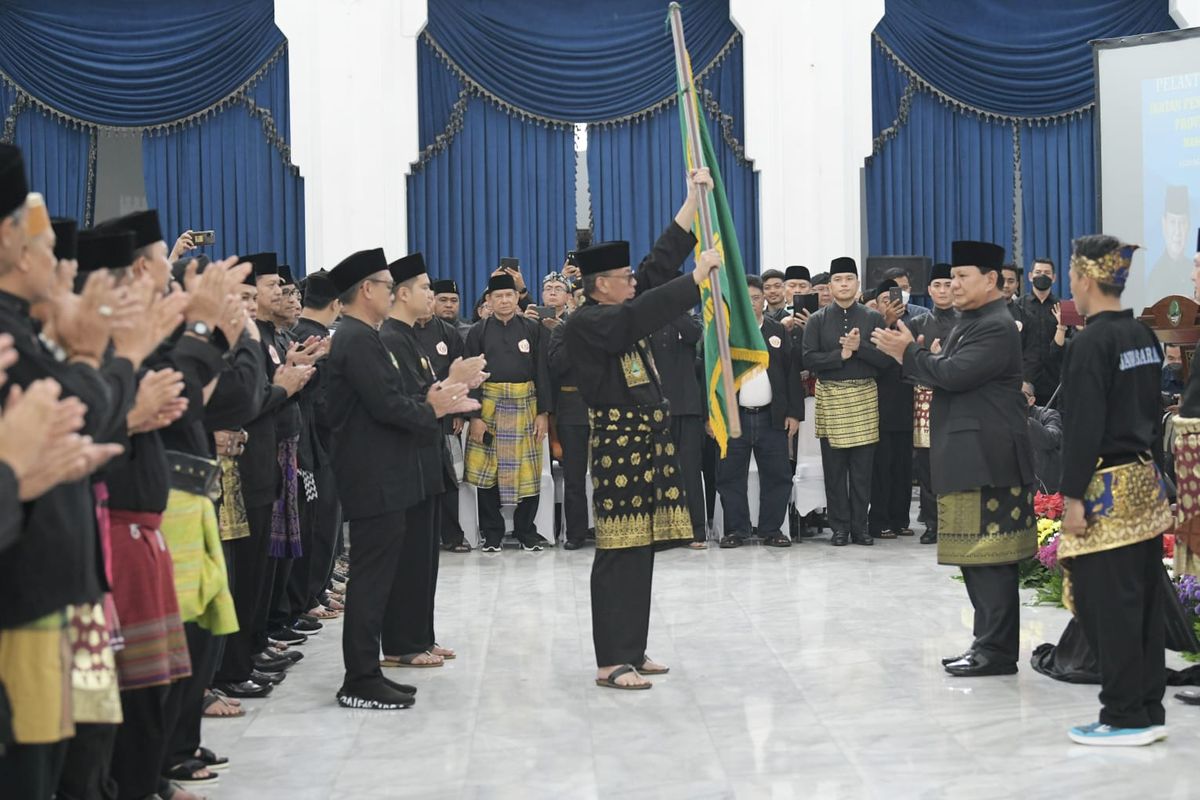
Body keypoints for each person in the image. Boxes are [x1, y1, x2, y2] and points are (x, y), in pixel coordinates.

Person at [0, 149, 131, 796]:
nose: (61, 264)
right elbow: (81, 417)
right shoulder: (8, 339)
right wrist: (101, 354)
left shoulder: (18, 332)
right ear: (12, 244)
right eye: (50, 245)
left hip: (51, 588)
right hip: (23, 599)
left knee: (69, 754)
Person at [872, 240, 1037, 678]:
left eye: (964, 277)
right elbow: (947, 369)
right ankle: (987, 644)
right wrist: (921, 355)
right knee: (975, 556)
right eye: (953, 277)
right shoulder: (974, 320)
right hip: (971, 453)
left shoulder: (997, 326)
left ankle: (997, 652)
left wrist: (908, 352)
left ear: (992, 280)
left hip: (988, 455)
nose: (955, 285)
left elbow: (954, 374)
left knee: (990, 559)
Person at [563, 238, 720, 690]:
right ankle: (610, 660)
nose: (634, 282)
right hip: (618, 445)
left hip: (646, 440)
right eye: (626, 278)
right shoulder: (589, 322)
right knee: (618, 550)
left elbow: (655, 272)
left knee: (640, 549)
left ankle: (631, 649)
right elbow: (638, 314)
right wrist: (695, 278)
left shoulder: (618, 308)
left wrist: (691, 206)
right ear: (601, 286)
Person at [323, 247, 476, 709]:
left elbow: (393, 397)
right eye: (388, 286)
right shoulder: (357, 338)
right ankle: (360, 679)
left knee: (378, 576)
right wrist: (436, 405)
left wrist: (434, 400)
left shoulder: (362, 335)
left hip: (384, 472)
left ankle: (368, 672)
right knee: (370, 581)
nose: (393, 293)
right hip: (374, 475)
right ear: (366, 290)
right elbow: (386, 404)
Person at [1057, 235, 1172, 746]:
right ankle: (1146, 706)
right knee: (1142, 599)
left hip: (1104, 488)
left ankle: (1124, 715)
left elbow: (1083, 425)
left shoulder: (1090, 343)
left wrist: (1073, 496)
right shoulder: (1144, 336)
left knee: (1107, 605)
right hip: (1144, 482)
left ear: (1084, 279)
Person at [380, 252, 482, 669]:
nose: (431, 294)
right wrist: (451, 386)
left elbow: (428, 392)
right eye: (424, 288)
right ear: (402, 294)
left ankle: (421, 636)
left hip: (426, 459)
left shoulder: (410, 339)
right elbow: (402, 402)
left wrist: (457, 384)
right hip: (404, 463)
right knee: (408, 561)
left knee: (425, 558)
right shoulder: (389, 338)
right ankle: (401, 644)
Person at [802, 257, 892, 547]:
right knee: (835, 469)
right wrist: (838, 357)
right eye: (838, 280)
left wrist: (859, 348)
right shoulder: (817, 320)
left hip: (864, 395)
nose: (843, 285)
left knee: (863, 470)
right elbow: (807, 359)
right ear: (829, 286)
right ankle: (839, 528)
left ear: (857, 284)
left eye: (849, 279)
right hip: (831, 396)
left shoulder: (873, 318)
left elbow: (885, 361)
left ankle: (860, 527)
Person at [463, 271, 552, 552]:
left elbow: (543, 372)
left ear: (517, 298)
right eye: (498, 296)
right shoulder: (477, 332)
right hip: (489, 404)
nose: (504, 300)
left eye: (509, 295)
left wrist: (543, 413)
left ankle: (527, 531)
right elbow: (471, 375)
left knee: (529, 470)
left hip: (526, 403)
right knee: (487, 471)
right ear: (488, 300)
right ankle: (492, 533)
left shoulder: (533, 329)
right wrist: (475, 417)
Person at [717, 275, 802, 548]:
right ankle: (736, 530)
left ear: (764, 299)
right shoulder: (726, 333)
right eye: (745, 298)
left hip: (771, 417)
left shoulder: (777, 332)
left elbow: (791, 375)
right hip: (734, 418)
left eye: (756, 297)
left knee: (778, 475)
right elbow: (713, 378)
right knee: (730, 476)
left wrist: (793, 414)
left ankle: (771, 529)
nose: (751, 303)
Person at [412, 277, 471, 554]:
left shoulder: (448, 333)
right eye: (433, 299)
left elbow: (458, 374)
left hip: (446, 417)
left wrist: (458, 412)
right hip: (414, 414)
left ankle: (452, 535)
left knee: (448, 477)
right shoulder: (402, 333)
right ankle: (423, 535)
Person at [907, 263, 958, 544]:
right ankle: (932, 523)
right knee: (927, 467)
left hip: (957, 401)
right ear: (928, 290)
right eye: (937, 285)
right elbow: (907, 367)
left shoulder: (967, 322)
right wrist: (928, 357)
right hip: (924, 401)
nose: (942, 290)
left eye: (947, 285)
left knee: (956, 464)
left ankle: (956, 523)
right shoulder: (917, 324)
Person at [868, 278, 917, 539]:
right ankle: (879, 520)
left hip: (906, 404)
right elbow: (873, 361)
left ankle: (901, 519)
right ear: (876, 305)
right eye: (886, 301)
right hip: (878, 407)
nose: (891, 306)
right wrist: (885, 323)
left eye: (895, 300)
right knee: (881, 468)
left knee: (903, 468)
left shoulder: (909, 328)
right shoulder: (871, 327)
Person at [548, 311, 592, 550]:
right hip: (572, 410)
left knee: (609, 476)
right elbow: (556, 366)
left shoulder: (609, 327)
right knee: (574, 478)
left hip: (606, 408)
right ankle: (576, 533)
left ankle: (610, 528)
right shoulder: (561, 331)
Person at [1019, 257, 1065, 405]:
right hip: (1025, 381)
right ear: (1030, 276)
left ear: (1054, 277)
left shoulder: (1064, 307)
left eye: (1047, 273)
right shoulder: (1018, 306)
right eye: (1038, 272)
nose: (1042, 276)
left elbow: (1071, 342)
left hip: (1055, 381)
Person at [1145, 185, 1192, 303]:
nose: (1177, 232)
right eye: (1172, 222)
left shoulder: (1195, 272)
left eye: (1182, 223)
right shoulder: (1156, 277)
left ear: (1188, 225)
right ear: (1164, 224)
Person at [1024, 380, 1063, 495]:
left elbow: (1051, 439)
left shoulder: (1048, 415)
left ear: (1031, 400)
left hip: (1043, 488)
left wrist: (1026, 422)